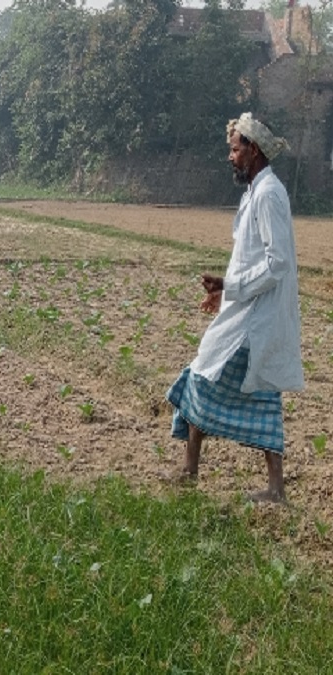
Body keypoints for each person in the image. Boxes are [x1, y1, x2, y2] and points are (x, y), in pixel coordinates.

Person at [166, 113, 303, 503]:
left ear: (253, 150)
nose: (230, 157)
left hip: (257, 317)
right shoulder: (255, 193)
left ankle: (270, 488)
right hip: (244, 310)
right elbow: (248, 259)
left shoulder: (269, 195)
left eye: (234, 149)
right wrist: (224, 292)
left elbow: (276, 264)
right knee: (208, 376)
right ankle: (194, 469)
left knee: (218, 379)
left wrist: (231, 286)